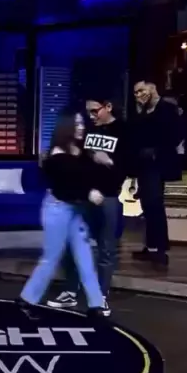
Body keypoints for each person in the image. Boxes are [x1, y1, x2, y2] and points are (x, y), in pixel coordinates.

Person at [18, 111, 107, 317]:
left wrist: (101, 161)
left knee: (85, 257)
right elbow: (63, 188)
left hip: (75, 211)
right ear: (66, 126)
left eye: (82, 124)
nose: (81, 127)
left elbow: (88, 176)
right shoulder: (56, 156)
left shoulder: (81, 152)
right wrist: (88, 193)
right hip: (57, 210)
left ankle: (96, 305)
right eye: (76, 124)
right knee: (52, 257)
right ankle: (26, 300)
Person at [47, 99, 130, 316]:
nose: (91, 116)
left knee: (106, 248)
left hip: (108, 196)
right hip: (84, 195)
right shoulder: (87, 129)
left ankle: (99, 297)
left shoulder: (124, 130)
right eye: (88, 112)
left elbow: (129, 166)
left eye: (95, 111)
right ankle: (70, 291)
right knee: (72, 244)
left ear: (108, 106)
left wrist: (109, 163)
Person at [130, 81, 183, 266]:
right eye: (135, 92)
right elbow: (136, 135)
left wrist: (157, 150)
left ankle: (161, 249)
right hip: (144, 164)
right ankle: (151, 247)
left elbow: (176, 135)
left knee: (155, 203)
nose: (138, 95)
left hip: (159, 163)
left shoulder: (167, 109)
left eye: (141, 90)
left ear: (152, 88)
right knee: (147, 205)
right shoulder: (142, 112)